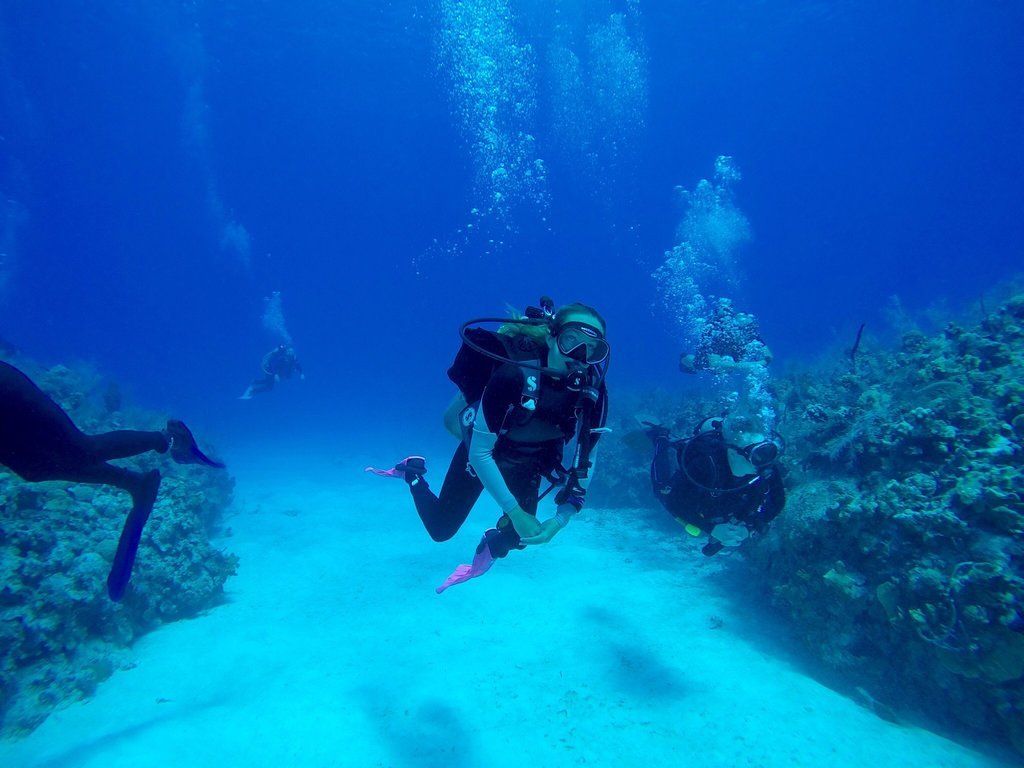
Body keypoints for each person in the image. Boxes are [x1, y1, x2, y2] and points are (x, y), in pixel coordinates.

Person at [367, 300, 610, 592]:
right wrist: (516, 512)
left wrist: (561, 519)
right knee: (441, 530)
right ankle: (412, 473)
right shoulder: (513, 375)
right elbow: (480, 452)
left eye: (592, 349)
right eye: (571, 340)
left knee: (523, 536)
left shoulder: (593, 391)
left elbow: (588, 457)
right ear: (551, 336)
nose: (580, 356)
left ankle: (488, 547)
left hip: (528, 463)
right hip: (482, 456)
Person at [0, 360, 225, 600]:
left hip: (6, 391)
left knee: (80, 449)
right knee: (34, 469)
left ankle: (167, 437)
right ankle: (134, 482)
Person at [647, 414, 785, 556]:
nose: (764, 462)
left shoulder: (763, 464)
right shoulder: (705, 464)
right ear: (732, 454)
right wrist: (711, 528)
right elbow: (674, 501)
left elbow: (778, 500)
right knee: (661, 489)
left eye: (768, 452)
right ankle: (660, 437)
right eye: (756, 455)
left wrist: (749, 528)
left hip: (728, 495)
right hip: (704, 490)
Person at [239, 344, 304, 399]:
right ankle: (252, 390)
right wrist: (276, 375)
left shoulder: (293, 358)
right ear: (287, 352)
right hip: (270, 370)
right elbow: (275, 365)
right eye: (290, 352)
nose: (291, 353)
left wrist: (301, 373)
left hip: (275, 372)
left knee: (268, 383)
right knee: (269, 387)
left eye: (292, 352)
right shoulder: (283, 358)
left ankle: (255, 382)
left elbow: (298, 365)